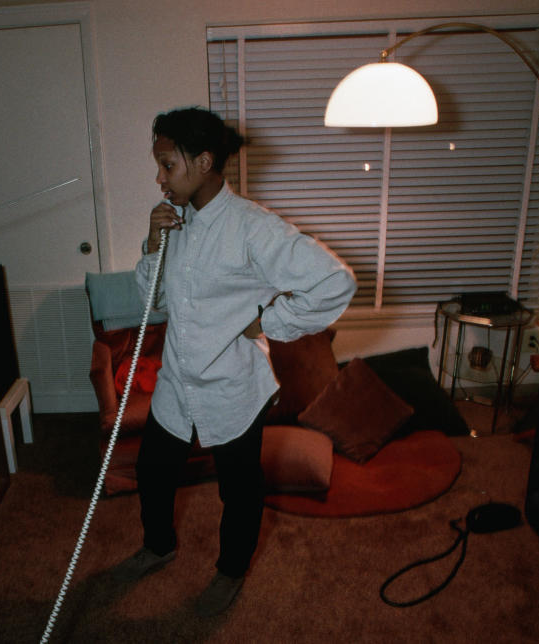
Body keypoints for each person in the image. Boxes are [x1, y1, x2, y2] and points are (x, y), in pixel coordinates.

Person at [116, 107, 357, 616]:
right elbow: (151, 303)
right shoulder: (175, 222)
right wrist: (153, 243)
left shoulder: (254, 229)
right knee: (154, 473)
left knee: (240, 491)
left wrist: (270, 324)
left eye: (167, 165)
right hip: (176, 383)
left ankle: (230, 570)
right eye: (158, 167)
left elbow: (336, 282)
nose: (159, 179)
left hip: (232, 387)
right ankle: (158, 546)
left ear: (204, 161)